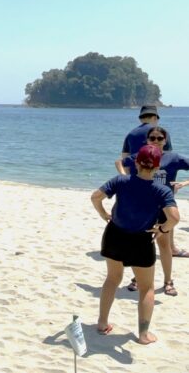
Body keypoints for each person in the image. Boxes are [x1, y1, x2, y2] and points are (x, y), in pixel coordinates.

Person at [91, 144, 179, 345]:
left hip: (115, 235)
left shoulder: (121, 180)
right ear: (157, 168)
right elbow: (174, 218)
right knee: (147, 288)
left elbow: (96, 196)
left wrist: (103, 214)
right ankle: (143, 334)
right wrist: (162, 229)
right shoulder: (161, 189)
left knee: (112, 279)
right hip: (141, 240)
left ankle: (102, 323)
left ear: (137, 163)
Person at [116, 126, 189, 296]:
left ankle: (168, 282)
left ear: (165, 141)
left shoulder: (174, 158)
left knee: (164, 245)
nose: (156, 141)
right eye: (152, 138)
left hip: (164, 207)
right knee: (141, 244)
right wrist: (125, 177)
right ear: (147, 140)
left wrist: (183, 183)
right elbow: (120, 162)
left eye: (159, 138)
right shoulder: (142, 155)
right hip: (143, 208)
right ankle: (137, 278)